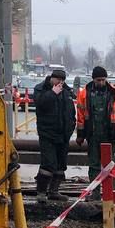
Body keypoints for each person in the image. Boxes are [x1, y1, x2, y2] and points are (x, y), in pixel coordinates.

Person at [33, 67, 76, 201]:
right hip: (47, 134)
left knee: (60, 165)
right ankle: (41, 192)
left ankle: (54, 191)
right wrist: (52, 93)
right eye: (58, 79)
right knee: (48, 164)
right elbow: (40, 105)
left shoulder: (66, 91)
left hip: (63, 134)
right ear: (52, 78)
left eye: (62, 80)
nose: (60, 82)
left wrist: (71, 126)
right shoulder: (41, 89)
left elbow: (70, 112)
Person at [78, 66, 115, 198]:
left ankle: (110, 191)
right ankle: (94, 191)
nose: (101, 82)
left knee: (109, 164)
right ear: (93, 79)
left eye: (103, 80)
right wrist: (80, 135)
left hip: (109, 134)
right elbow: (81, 115)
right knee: (94, 164)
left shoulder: (114, 93)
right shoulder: (85, 93)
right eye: (98, 80)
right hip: (93, 134)